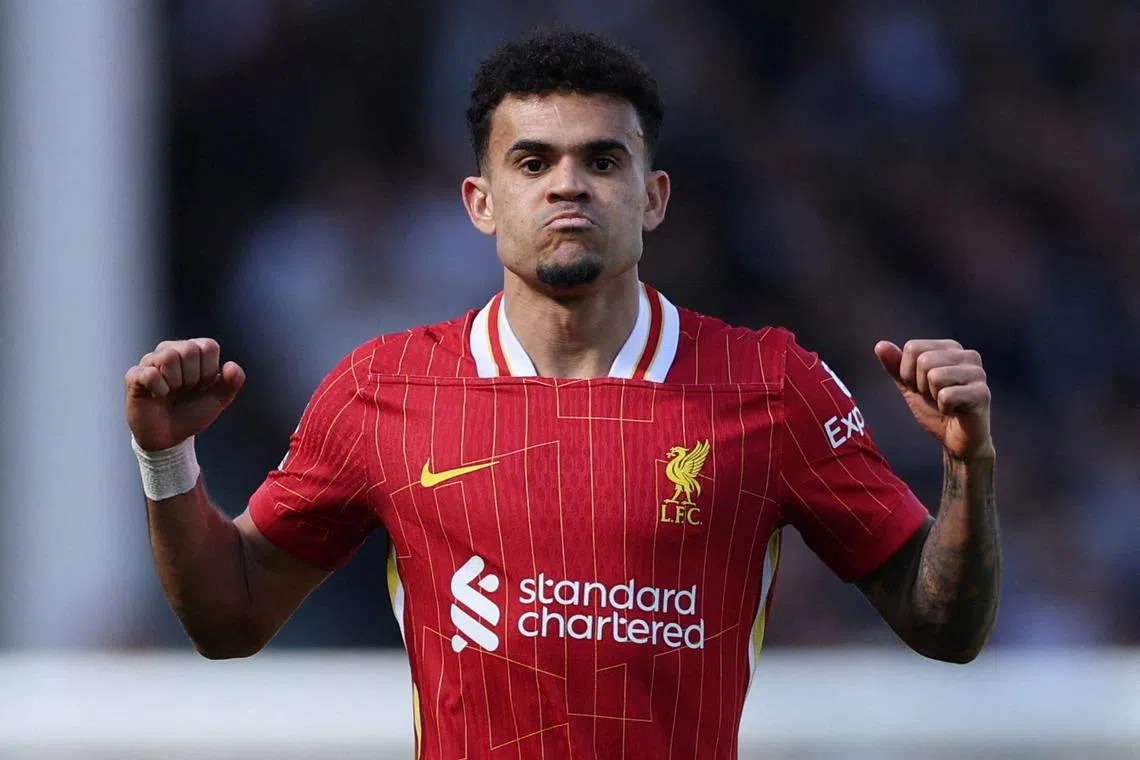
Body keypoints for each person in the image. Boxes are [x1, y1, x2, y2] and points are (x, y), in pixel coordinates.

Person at [125, 28, 1000, 759]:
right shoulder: (382, 390)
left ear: (654, 198)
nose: (568, 185)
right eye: (533, 161)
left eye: (603, 160)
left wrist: (968, 468)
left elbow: (943, 627)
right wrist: (167, 458)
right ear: (480, 201)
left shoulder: (771, 384)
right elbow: (229, 616)